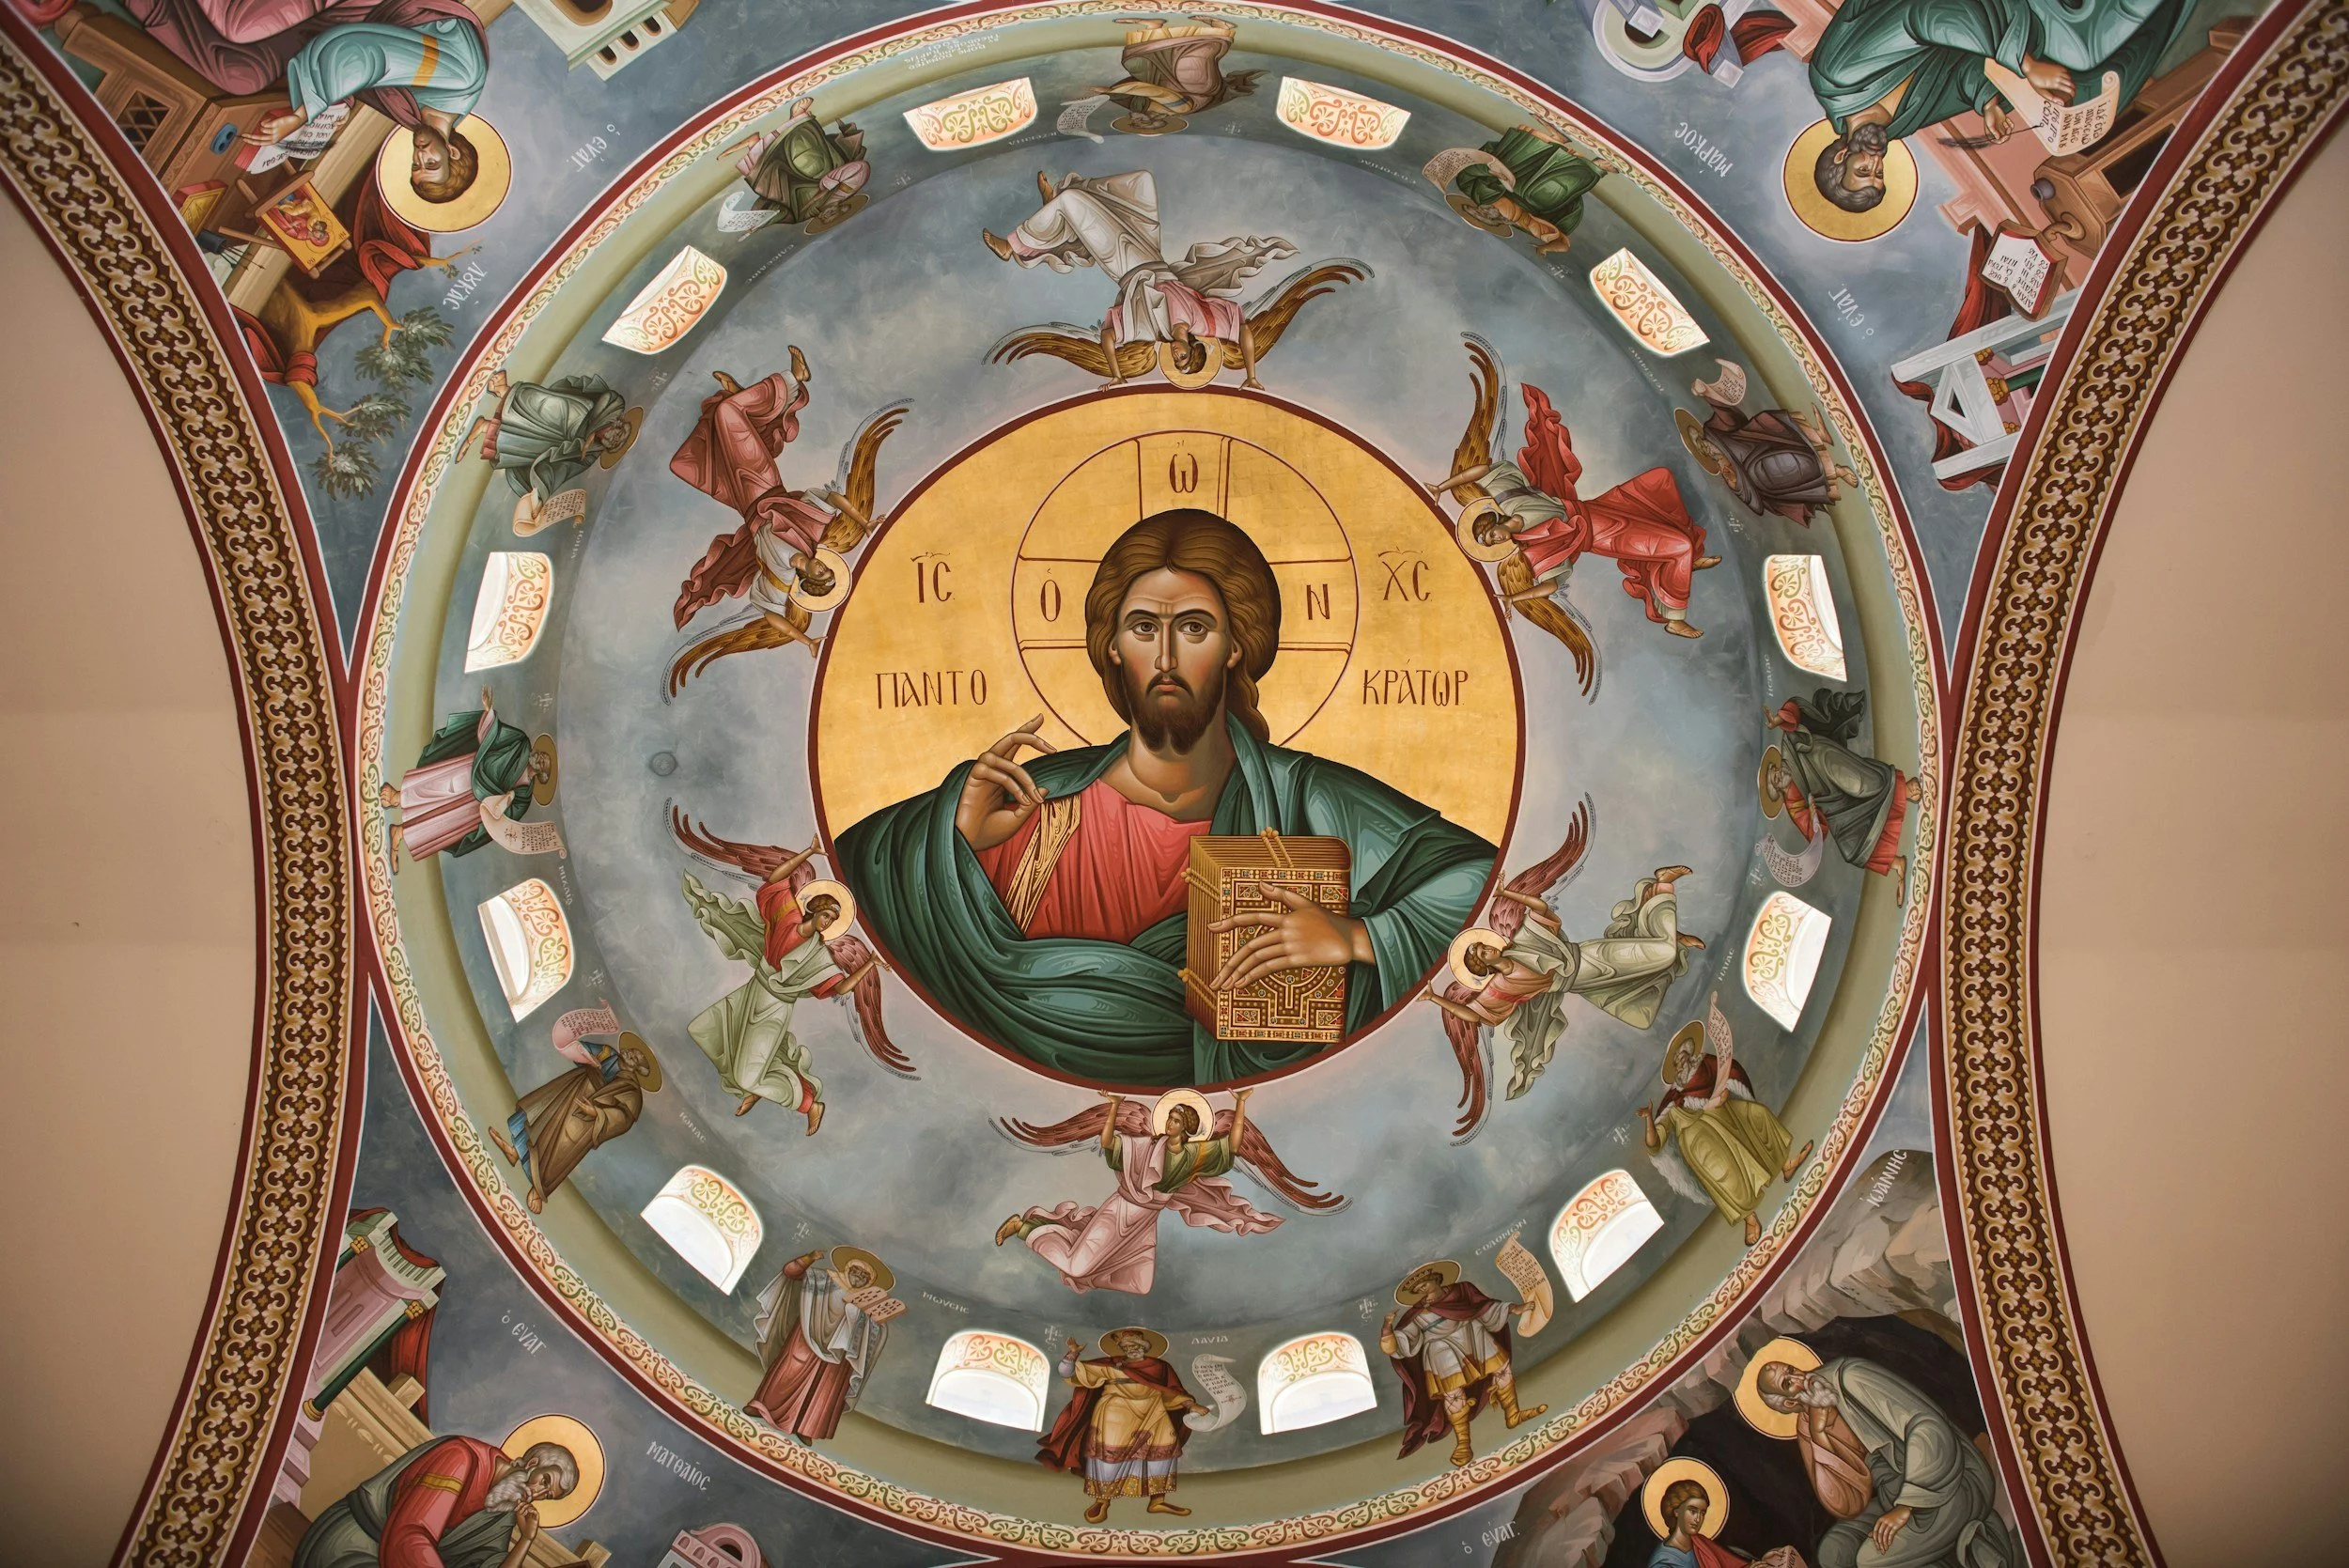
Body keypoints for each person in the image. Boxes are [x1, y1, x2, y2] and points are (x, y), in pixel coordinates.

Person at [834, 508, 1498, 1086]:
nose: (1168, 657)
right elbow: (853, 880)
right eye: (1145, 628)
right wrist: (950, 838)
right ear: (1114, 646)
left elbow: (1485, 884)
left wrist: (1360, 938)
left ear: (1239, 645)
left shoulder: (1308, 801)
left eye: (1195, 628)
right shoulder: (1033, 813)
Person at [1806, 0, 2193, 212]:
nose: (1877, 161)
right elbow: (1958, 73)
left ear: (1840, 157)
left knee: (2080, 47)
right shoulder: (1898, 123)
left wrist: (2025, 64)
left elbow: (1921, 14)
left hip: (1976, 10)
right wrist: (1987, 102)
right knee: (2089, 92)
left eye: (1864, 170)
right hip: (1988, 21)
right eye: (1879, 173)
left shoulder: (1838, 76)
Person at [125, 0, 493, 209]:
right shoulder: (458, 79)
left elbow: (372, 72)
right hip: (362, 6)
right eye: (430, 163)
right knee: (237, 23)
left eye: (415, 165)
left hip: (338, 23)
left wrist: (340, 104)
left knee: (239, 74)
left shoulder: (418, 118)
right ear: (453, 153)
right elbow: (367, 53)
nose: (420, 155)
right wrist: (305, 112)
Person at [983, 170, 1293, 386]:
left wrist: (1117, 374)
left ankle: (1014, 245)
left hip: (1125, 263)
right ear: (1195, 349)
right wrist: (1251, 375)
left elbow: (1107, 337)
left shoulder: (1147, 327)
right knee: (1141, 182)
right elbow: (1245, 332)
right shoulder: (1208, 321)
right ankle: (1055, 211)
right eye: (1184, 358)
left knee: (1072, 202)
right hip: (1152, 253)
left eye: (1176, 363)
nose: (1177, 357)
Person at [1454, 384, 1717, 638]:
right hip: (1607, 537)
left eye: (1490, 535)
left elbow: (1484, 472)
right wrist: (1514, 597)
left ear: (1493, 522)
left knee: (1660, 479)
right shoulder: (1535, 547)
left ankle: (1689, 559)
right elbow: (1550, 585)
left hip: (1602, 507)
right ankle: (1675, 618)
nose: (1494, 540)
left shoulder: (1510, 499)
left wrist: (1443, 487)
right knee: (1678, 546)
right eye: (1491, 543)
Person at [1436, 868, 1703, 1098]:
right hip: (1584, 985)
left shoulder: (1523, 943)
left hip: (1591, 958)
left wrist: (1506, 894)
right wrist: (1435, 998)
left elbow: (1540, 909)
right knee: (1641, 1013)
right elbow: (1474, 1015)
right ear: (1483, 966)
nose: (1489, 950)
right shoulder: (1502, 987)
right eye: (1483, 954)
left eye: (1485, 946)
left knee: (1663, 955)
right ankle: (1665, 937)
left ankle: (1662, 887)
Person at [996, 1089, 1282, 1295]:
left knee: (1140, 1285)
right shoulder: (1144, 1146)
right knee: (1076, 1267)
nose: (1170, 1124)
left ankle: (1075, 1246)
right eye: (1169, 1119)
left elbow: (1231, 1146)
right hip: (1122, 1209)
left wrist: (1241, 1104)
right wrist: (1114, 1108)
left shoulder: (1196, 1155)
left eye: (1176, 1121)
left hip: (1146, 1219)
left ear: (1187, 1129)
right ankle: (1024, 1228)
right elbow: (1108, 1143)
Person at [1755, 1357, 2017, 1567]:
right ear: (1790, 1403)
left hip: (1947, 1477)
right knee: (1832, 1553)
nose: (1800, 1378)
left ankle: (1970, 1542)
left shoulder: (1848, 1377)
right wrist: (1821, 1435)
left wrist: (1906, 1506)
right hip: (1893, 1495)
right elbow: (1846, 1505)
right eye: (1788, 1383)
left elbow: (1928, 1427)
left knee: (1869, 1561)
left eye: (1791, 1370)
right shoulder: (1808, 1426)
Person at [680, 839, 848, 1134]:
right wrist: (807, 852)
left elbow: (840, 988)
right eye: (826, 915)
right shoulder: (788, 917)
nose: (827, 922)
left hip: (774, 1008)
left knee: (747, 1077)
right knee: (703, 1030)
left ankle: (808, 1104)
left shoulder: (819, 954)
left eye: (833, 919)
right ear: (813, 910)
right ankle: (758, 1084)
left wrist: (870, 965)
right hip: (754, 990)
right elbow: (775, 880)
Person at [670, 352, 842, 610]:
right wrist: (865, 523)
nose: (821, 566)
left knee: (685, 465)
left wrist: (809, 643)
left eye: (820, 574)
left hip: (744, 504)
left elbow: (772, 611)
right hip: (763, 483)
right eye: (827, 568)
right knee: (727, 413)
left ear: (807, 579)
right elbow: (832, 500)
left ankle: (743, 401)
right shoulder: (810, 536)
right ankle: (792, 380)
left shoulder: (779, 572)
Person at [1639, 997, 1812, 1246]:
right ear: (1675, 1068)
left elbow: (1729, 1075)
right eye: (1678, 1059)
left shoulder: (1707, 1064)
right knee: (1722, 1171)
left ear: (1691, 1052)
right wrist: (1648, 1119)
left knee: (1758, 1116)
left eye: (1685, 1053)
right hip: (1699, 1140)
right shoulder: (1672, 1101)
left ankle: (1785, 1164)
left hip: (1725, 1114)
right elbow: (1655, 1144)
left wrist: (1722, 1097)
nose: (1683, 1059)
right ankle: (1749, 1217)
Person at [291, 1435, 576, 1568]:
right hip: (358, 1546)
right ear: (533, 1463)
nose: (536, 1495)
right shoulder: (462, 1457)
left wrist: (525, 1540)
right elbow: (408, 1537)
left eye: (547, 1497)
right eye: (545, 1483)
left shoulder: (501, 1509)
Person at [1382, 1261, 1546, 1467]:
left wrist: (1514, 1308)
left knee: (1502, 1367)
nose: (1422, 1290)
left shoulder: (1462, 1290)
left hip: (1471, 1333)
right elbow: (1404, 1341)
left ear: (1436, 1278)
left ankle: (1513, 1414)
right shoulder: (1417, 1313)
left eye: (1424, 1284)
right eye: (1417, 1289)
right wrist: (1387, 1329)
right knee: (1453, 1393)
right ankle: (1463, 1443)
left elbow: (1484, 1307)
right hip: (1440, 1349)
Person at [1037, 1327, 1206, 1523]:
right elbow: (1067, 1372)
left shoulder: (1160, 1366)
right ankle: (1102, 1500)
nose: (1131, 1348)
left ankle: (1157, 1499)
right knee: (1110, 1455)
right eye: (1126, 1346)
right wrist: (1073, 1354)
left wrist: (1192, 1405)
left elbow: (1174, 1389)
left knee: (1163, 1450)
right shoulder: (1110, 1365)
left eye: (1135, 1345)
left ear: (1145, 1347)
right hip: (1116, 1413)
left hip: (1153, 1410)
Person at [490, 1026, 655, 1214]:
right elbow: (578, 1050)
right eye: (630, 1051)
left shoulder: (632, 1092)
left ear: (638, 1069)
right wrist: (584, 1052)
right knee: (541, 1120)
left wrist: (596, 1113)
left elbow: (624, 1118)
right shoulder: (608, 1054)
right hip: (572, 1091)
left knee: (558, 1150)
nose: (629, 1054)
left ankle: (538, 1189)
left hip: (586, 1120)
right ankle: (515, 1152)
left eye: (634, 1057)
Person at [1764, 690, 1921, 887]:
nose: (1778, 776)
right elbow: (1814, 833)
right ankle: (1896, 863)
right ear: (1777, 791)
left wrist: (1778, 720)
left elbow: (1794, 711)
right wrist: (1814, 820)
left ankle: (1903, 790)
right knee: (1850, 848)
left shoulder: (1788, 750)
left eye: (1773, 772)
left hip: (1823, 759)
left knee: (1860, 785)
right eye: (1775, 782)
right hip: (1831, 802)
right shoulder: (1793, 805)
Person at [381, 691, 549, 866]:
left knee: (442, 823)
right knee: (436, 786)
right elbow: (497, 735)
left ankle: (400, 833)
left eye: (544, 762)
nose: (541, 757)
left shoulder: (524, 796)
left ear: (542, 774)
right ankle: (399, 797)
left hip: (477, 806)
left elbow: (506, 821)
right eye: (543, 755)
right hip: (474, 770)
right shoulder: (522, 743)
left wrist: (504, 800)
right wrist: (489, 710)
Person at [747, 1246, 893, 1443]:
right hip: (807, 1336)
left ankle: (807, 1426)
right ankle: (762, 1407)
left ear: (871, 1281)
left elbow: (873, 1333)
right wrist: (808, 1258)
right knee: (789, 1371)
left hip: (839, 1353)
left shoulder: (868, 1301)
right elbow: (790, 1273)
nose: (859, 1276)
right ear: (847, 1268)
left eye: (865, 1275)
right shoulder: (824, 1280)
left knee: (825, 1389)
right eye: (856, 1270)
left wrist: (867, 1318)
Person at [1680, 360, 1852, 526]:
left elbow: (1729, 417)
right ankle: (1836, 471)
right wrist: (1734, 477)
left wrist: (1707, 395)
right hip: (1762, 474)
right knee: (1773, 472)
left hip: (1760, 445)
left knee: (1767, 422)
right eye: (1698, 445)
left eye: (1698, 439)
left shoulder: (1713, 432)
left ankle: (1819, 436)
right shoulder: (1721, 466)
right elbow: (1745, 493)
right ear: (1702, 453)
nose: (1702, 444)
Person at [479, 371, 637, 513]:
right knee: (546, 406)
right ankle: (503, 390)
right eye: (617, 435)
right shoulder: (615, 407)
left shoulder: (592, 453)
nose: (611, 438)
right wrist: (590, 435)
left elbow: (563, 470)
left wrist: (541, 497)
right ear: (619, 425)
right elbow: (607, 397)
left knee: (534, 443)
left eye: (613, 443)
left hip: (559, 436)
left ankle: (486, 427)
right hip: (576, 412)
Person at [1441, 121, 1603, 254]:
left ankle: (1556, 139)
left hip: (1514, 168)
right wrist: (1545, 248)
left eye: (1477, 211)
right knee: (1542, 196)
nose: (1483, 211)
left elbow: (1467, 172)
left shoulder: (1473, 190)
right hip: (1538, 193)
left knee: (1512, 167)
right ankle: (1596, 167)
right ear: (1500, 221)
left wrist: (1490, 171)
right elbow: (1563, 244)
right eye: (1485, 216)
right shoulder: (1523, 222)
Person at [1096, 17, 1262, 132]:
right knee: (1194, 54)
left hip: (1168, 77)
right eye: (1140, 122)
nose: (1134, 119)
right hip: (1194, 82)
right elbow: (1154, 91)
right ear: (1156, 118)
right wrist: (1113, 91)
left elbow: (1139, 94)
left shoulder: (1140, 106)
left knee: (1136, 60)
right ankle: (1222, 28)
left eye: (1134, 122)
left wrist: (1107, 94)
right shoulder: (1181, 109)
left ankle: (1154, 26)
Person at [724, 97, 870, 227]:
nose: (826, 216)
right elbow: (860, 168)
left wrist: (758, 224)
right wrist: (826, 185)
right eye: (833, 215)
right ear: (843, 208)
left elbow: (779, 214)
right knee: (814, 166)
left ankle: (754, 146)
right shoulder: (845, 192)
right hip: (819, 167)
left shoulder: (803, 215)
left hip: (786, 180)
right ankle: (797, 117)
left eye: (825, 220)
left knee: (768, 187)